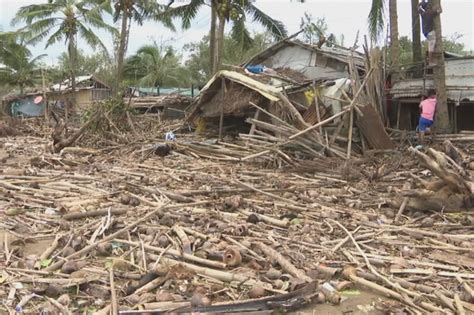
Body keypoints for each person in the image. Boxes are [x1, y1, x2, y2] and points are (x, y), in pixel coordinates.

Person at [419, 0, 442, 66]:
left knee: (431, 45)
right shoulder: (430, 13)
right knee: (431, 47)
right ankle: (430, 61)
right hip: (430, 32)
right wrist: (439, 4)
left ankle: (430, 60)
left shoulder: (422, 13)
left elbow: (418, 7)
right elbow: (440, 11)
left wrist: (422, 2)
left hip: (425, 32)